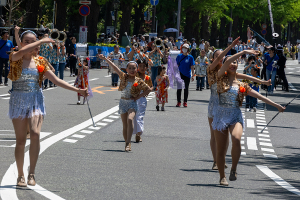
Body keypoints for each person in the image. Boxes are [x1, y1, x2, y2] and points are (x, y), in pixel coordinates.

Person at [8, 31, 88, 187]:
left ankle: (32, 173)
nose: (30, 44)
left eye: (33, 41)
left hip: (35, 100)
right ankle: (20, 175)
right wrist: (41, 41)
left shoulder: (41, 61)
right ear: (21, 43)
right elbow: (23, 51)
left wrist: (78, 90)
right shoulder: (15, 57)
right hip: (18, 100)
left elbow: (57, 80)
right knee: (21, 141)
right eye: (26, 41)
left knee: (36, 134)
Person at [212, 51, 285, 186]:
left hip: (235, 115)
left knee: (236, 138)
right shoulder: (220, 77)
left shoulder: (242, 85)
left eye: (235, 62)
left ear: (237, 64)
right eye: (230, 62)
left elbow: (259, 96)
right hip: (221, 116)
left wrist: (277, 106)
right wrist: (244, 52)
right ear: (225, 65)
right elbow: (227, 62)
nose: (232, 64)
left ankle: (233, 169)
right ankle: (222, 177)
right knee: (221, 150)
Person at [207, 37, 272, 172]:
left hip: (228, 105)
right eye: (217, 56)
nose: (220, 57)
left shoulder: (229, 72)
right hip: (215, 104)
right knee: (214, 135)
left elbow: (245, 77)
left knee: (226, 137)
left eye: (221, 55)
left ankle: (221, 159)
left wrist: (263, 82)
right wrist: (232, 48)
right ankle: (215, 160)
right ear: (214, 58)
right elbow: (223, 61)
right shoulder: (213, 70)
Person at [99, 55, 151, 151]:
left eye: (134, 68)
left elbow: (148, 89)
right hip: (123, 102)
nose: (132, 70)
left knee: (130, 119)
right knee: (125, 125)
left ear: (137, 69)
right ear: (126, 69)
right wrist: (106, 59)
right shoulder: (124, 77)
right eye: (130, 68)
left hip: (132, 103)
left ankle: (128, 142)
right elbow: (115, 67)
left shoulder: (139, 81)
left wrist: (138, 97)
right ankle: (127, 142)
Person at [133, 59, 153, 143]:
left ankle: (139, 134)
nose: (141, 68)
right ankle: (136, 132)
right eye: (140, 66)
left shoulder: (147, 77)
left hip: (142, 99)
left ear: (146, 68)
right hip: (134, 98)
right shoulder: (134, 75)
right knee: (134, 116)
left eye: (143, 66)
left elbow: (151, 87)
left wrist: (147, 92)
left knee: (140, 116)